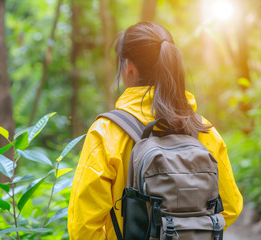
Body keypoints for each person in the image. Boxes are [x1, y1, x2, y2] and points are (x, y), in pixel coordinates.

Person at [67, 22, 243, 240]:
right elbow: (231, 207)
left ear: (129, 67)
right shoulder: (203, 130)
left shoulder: (106, 132)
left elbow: (83, 226)